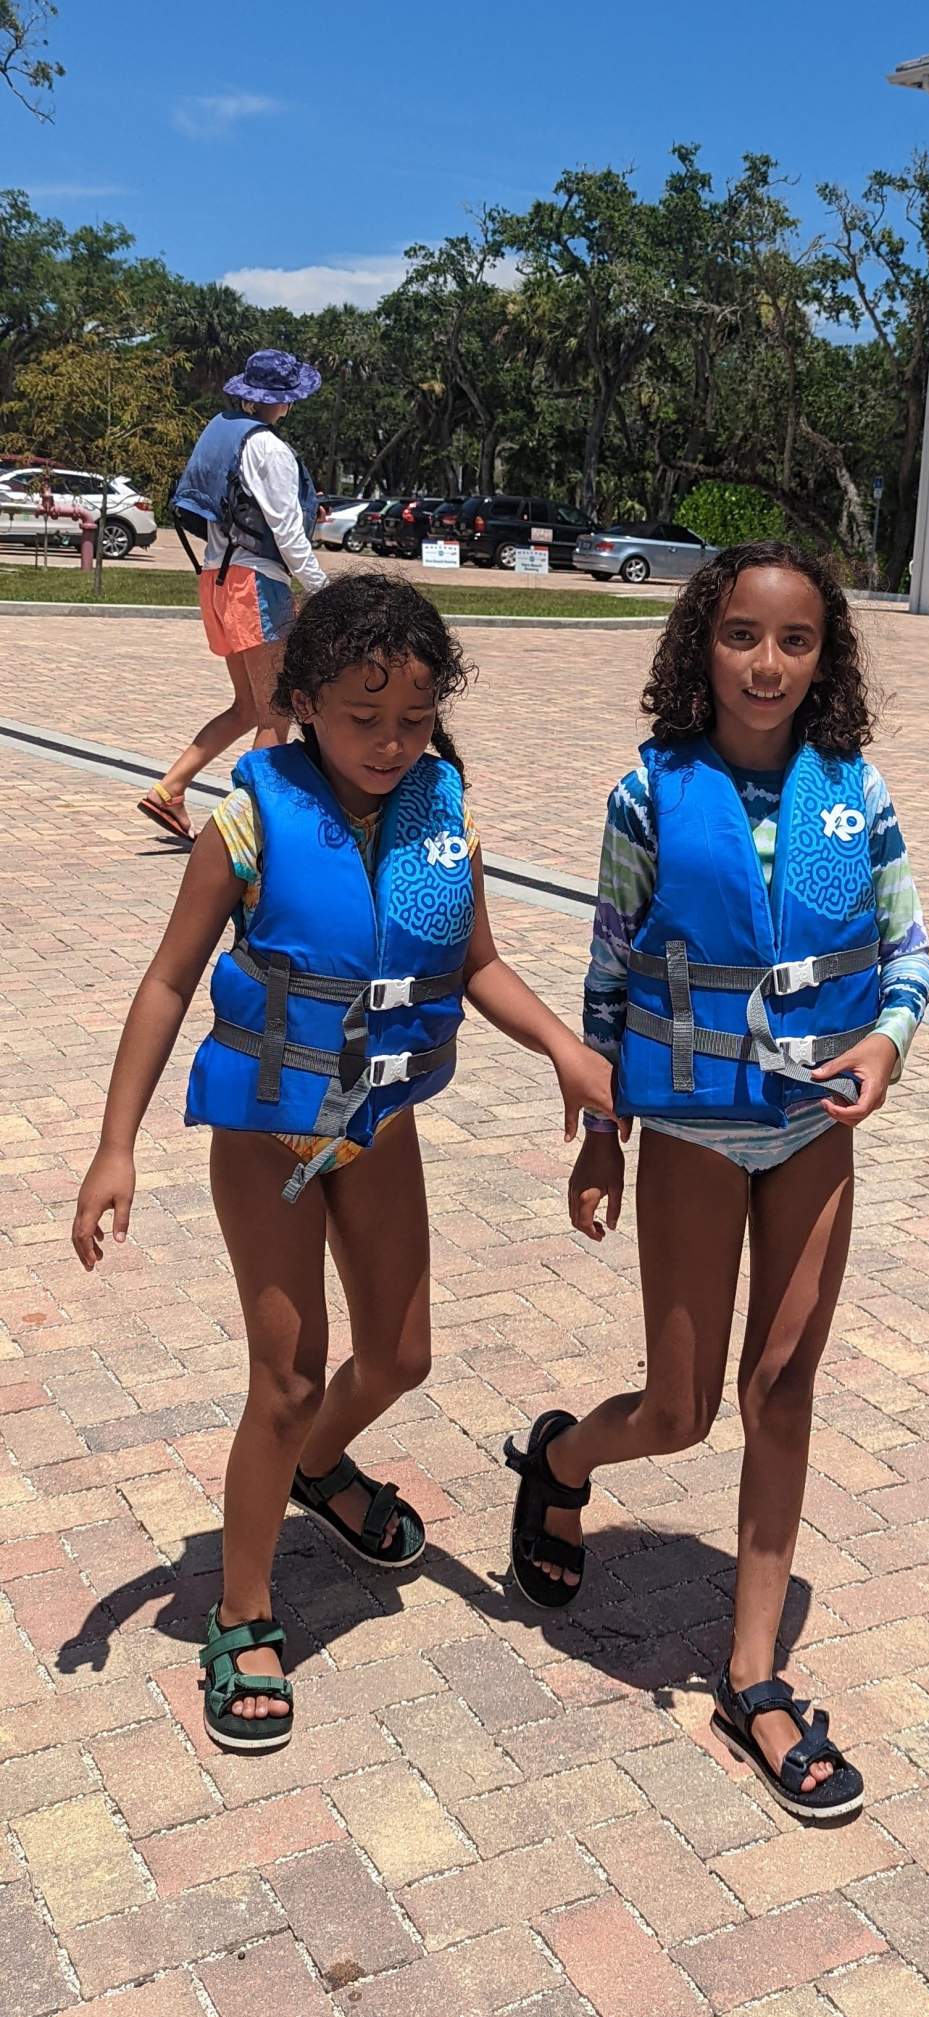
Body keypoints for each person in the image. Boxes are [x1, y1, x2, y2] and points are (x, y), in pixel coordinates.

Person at [75, 572, 618, 1753]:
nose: (389, 742)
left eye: (413, 720)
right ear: (304, 701)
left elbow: (474, 961)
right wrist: (114, 1145)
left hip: (376, 1121)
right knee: (286, 1374)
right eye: (363, 716)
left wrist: (565, 1052)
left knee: (403, 1354)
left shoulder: (442, 808)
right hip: (267, 1127)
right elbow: (169, 979)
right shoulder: (249, 816)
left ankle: (320, 1469)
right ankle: (242, 1610)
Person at [503, 543, 929, 1820]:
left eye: (793, 641)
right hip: (689, 1123)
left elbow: (906, 948)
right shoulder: (648, 793)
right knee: (684, 1408)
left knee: (781, 1385)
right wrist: (597, 1132)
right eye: (741, 635)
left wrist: (884, 1045)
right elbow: (608, 967)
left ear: (824, 657)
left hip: (811, 1124)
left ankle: (752, 1681)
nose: (765, 662)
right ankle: (563, 1463)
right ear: (702, 644)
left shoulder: (854, 789)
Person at [137, 348, 329, 843]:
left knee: (247, 708)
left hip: (216, 580)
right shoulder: (271, 450)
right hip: (256, 585)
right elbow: (287, 532)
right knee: (276, 711)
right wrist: (322, 589)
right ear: (284, 401)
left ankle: (170, 790)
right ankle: (254, 828)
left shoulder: (227, 434)